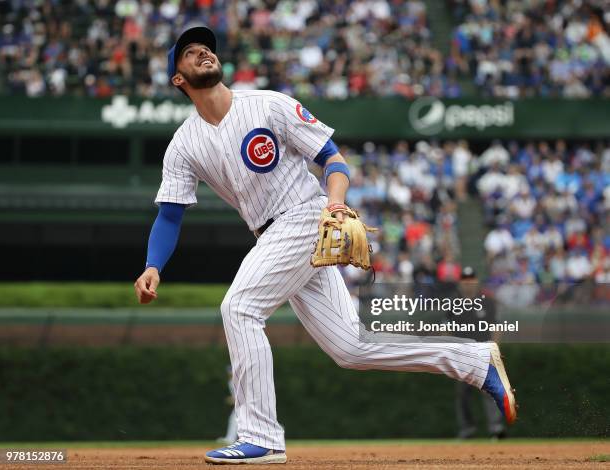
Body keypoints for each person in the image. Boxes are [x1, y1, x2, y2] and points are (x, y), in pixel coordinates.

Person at [133, 26, 517, 465]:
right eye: (189, 53)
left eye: (206, 48)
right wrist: (153, 265)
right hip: (272, 235)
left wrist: (335, 204)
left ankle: (260, 435)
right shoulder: (184, 144)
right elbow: (170, 213)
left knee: (238, 308)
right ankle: (475, 361)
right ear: (177, 79)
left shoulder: (268, 105)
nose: (202, 53)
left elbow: (332, 158)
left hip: (304, 216)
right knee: (352, 348)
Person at [451, 266, 506, 439]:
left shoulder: (487, 302)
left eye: (471, 279)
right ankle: (467, 430)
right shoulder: (453, 304)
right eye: (465, 279)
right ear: (461, 283)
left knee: (489, 392)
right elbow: (447, 330)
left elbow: (497, 326)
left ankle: (495, 429)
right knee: (462, 395)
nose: (468, 282)